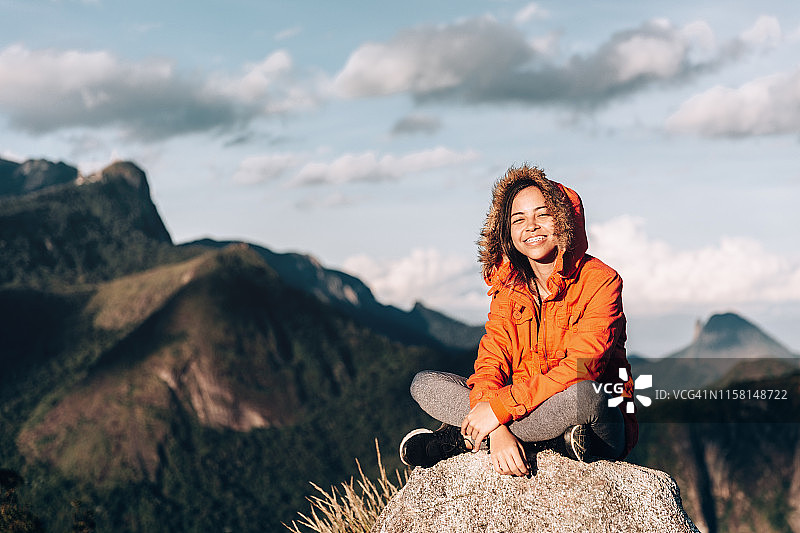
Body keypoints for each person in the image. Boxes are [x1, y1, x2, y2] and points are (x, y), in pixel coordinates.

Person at [399, 164, 638, 477]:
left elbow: (582, 368)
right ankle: (545, 442)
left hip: (597, 419)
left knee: (587, 396)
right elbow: (490, 363)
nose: (531, 226)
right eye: (519, 219)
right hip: (529, 408)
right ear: (507, 232)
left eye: (543, 214)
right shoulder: (509, 288)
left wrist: (497, 412)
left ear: (564, 220)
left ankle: (464, 438)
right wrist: (498, 430)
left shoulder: (601, 282)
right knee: (425, 385)